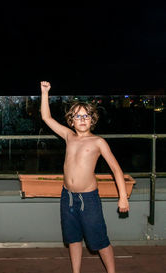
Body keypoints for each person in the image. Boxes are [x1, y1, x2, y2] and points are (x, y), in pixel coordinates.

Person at [40, 81, 129, 273]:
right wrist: (45, 93)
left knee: (99, 241)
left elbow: (116, 169)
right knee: (73, 239)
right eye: (77, 116)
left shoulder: (98, 142)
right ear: (71, 121)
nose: (82, 119)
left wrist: (122, 197)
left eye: (86, 116)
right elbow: (46, 117)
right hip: (68, 197)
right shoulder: (68, 136)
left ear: (92, 120)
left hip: (89, 200)